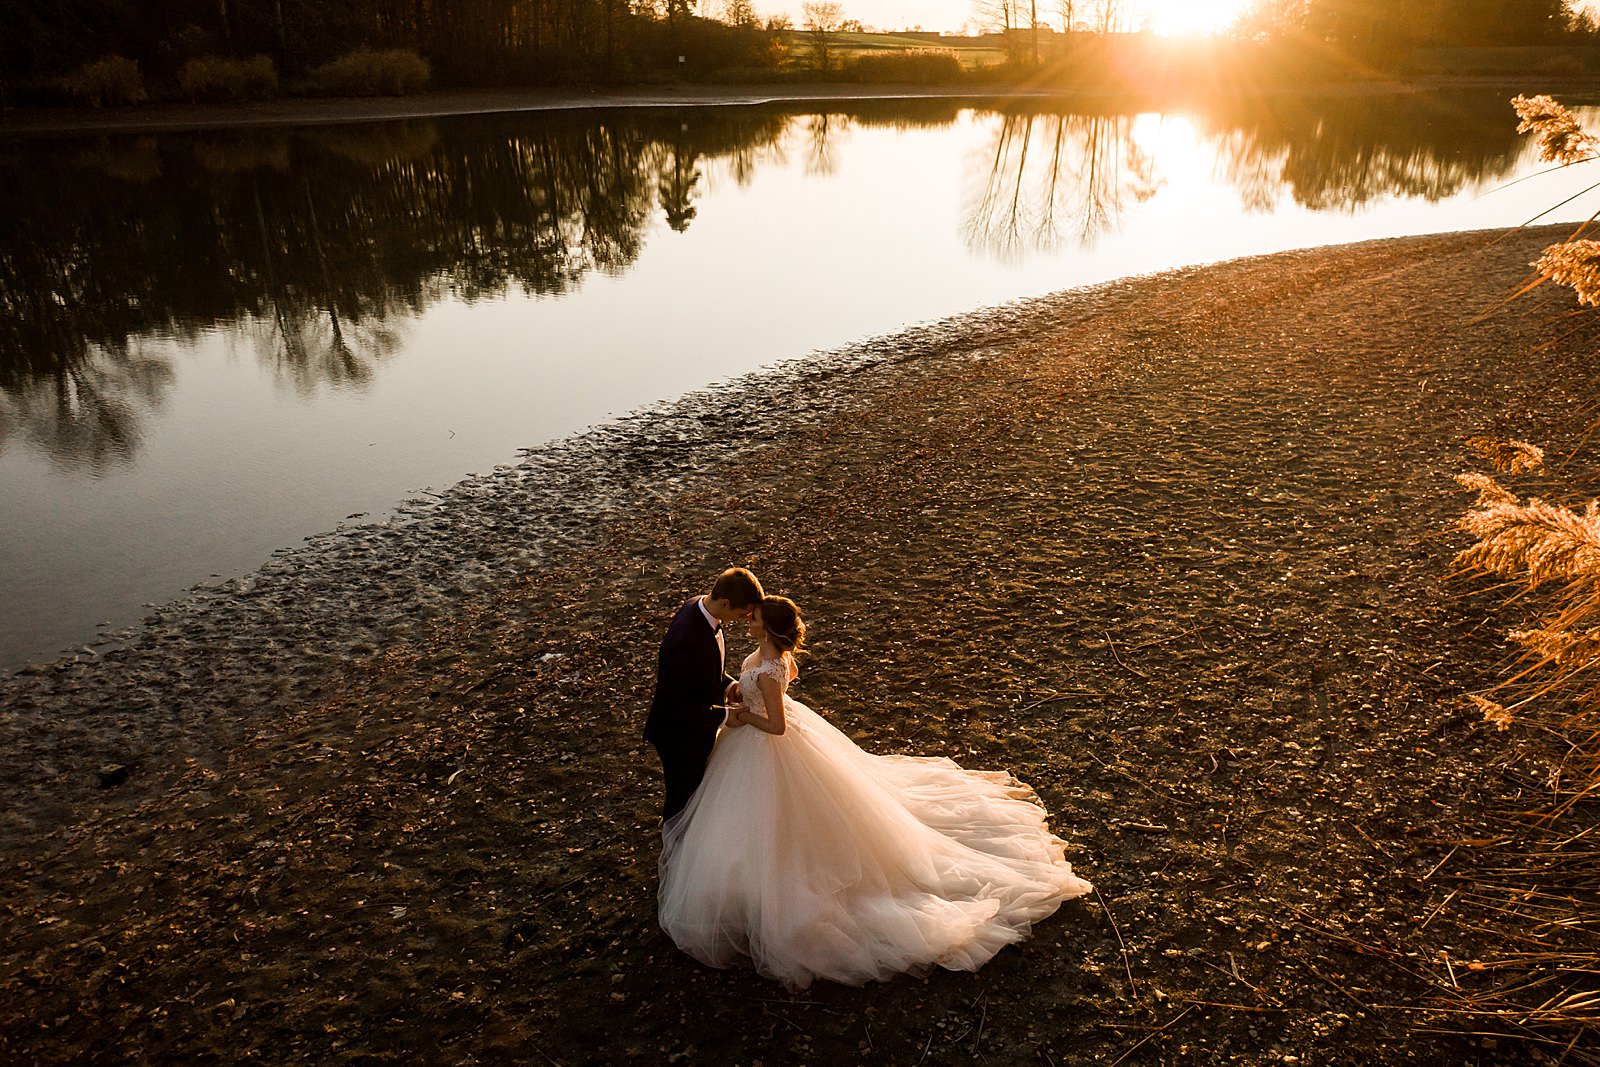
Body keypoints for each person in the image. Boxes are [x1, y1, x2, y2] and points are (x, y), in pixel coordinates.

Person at [657, 595, 1093, 990]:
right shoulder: (774, 659)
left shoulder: (772, 669)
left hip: (766, 745)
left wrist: (740, 715)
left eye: (753, 621)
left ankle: (762, 889)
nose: (747, 624)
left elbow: (776, 725)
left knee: (777, 820)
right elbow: (763, 681)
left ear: (769, 630)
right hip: (754, 740)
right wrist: (738, 690)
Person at [643, 567, 764, 821]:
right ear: (726, 603)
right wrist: (725, 717)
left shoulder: (700, 607)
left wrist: (729, 686)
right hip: (678, 734)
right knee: (682, 799)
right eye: (743, 613)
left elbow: (704, 671)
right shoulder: (686, 641)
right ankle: (675, 853)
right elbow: (677, 706)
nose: (745, 619)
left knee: (696, 796)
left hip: (693, 723)